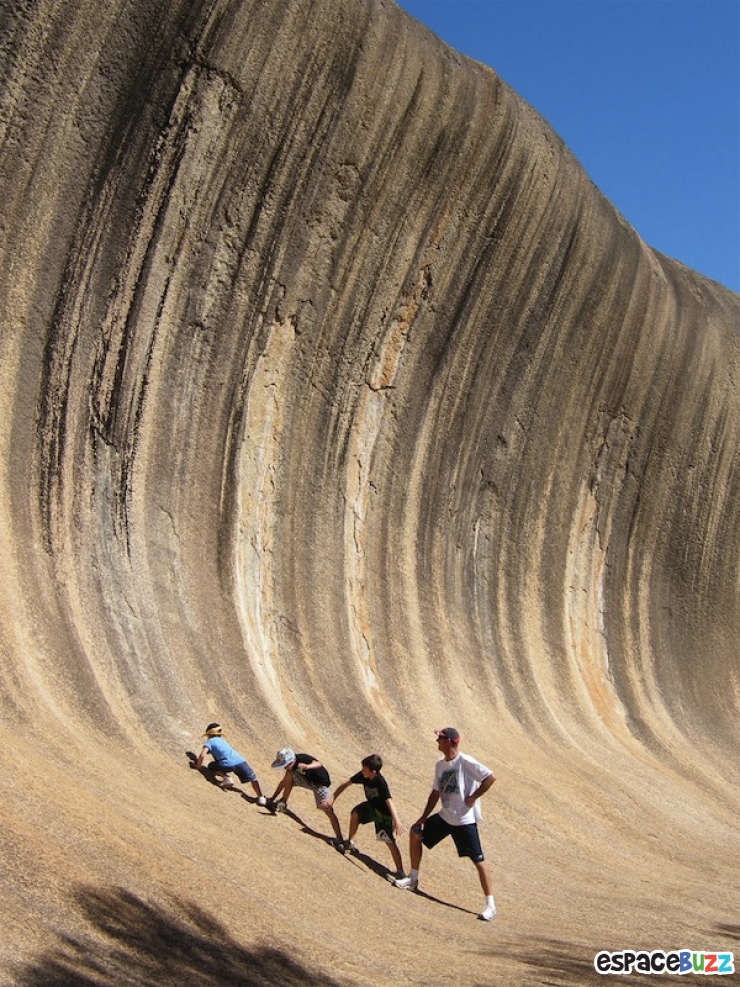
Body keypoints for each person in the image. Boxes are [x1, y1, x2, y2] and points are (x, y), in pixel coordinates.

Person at [393, 727, 497, 922]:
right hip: (445, 817)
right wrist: (423, 817)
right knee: (416, 833)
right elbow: (435, 792)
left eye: (440, 738)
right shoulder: (440, 765)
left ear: (449, 741)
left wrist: (473, 797)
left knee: (478, 861)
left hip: (464, 821)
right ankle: (413, 878)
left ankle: (490, 905)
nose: (437, 742)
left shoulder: (466, 762)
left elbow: (490, 778)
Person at [329, 753, 406, 879]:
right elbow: (345, 784)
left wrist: (396, 820)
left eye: (365, 770)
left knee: (388, 841)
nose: (362, 771)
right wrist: (333, 798)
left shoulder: (381, 782)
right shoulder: (363, 775)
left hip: (383, 814)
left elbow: (388, 800)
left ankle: (400, 872)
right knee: (356, 813)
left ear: (373, 772)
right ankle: (350, 842)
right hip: (371, 807)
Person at [269, 748, 345, 851]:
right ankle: (282, 802)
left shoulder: (302, 758)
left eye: (286, 765)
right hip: (306, 780)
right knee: (288, 777)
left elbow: (318, 763)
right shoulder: (291, 769)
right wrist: (272, 799)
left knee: (327, 809)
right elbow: (283, 782)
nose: (285, 768)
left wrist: (307, 767)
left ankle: (339, 838)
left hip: (320, 785)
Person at [195, 723, 267, 805]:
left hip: (226, 764)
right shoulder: (223, 741)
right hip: (240, 761)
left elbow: (202, 755)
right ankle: (261, 797)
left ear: (209, 734)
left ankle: (226, 778)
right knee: (252, 778)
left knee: (211, 766)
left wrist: (198, 766)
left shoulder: (210, 742)